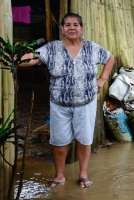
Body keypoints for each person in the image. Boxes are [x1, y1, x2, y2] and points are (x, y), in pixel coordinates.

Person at [21, 13, 114, 188]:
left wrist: (102, 79)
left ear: (81, 28)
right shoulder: (51, 48)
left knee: (84, 140)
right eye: (67, 25)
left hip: (86, 103)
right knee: (59, 143)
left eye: (76, 25)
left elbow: (110, 58)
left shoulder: (92, 48)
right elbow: (33, 58)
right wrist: (22, 58)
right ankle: (59, 176)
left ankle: (83, 174)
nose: (72, 28)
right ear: (62, 29)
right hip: (59, 105)